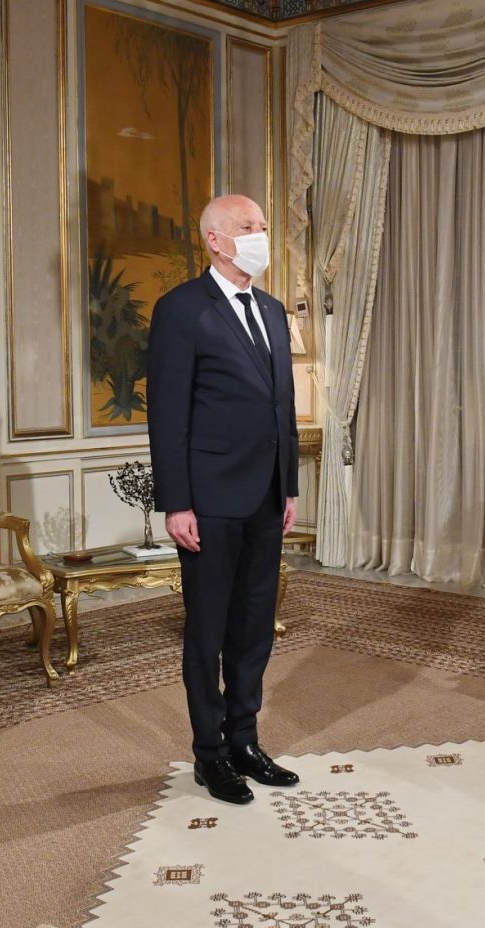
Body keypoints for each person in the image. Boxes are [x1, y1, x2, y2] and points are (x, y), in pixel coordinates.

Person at [147, 194, 300, 806]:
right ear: (215, 239)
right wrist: (176, 503)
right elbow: (168, 414)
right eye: (247, 226)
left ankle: (245, 741)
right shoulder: (181, 309)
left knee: (254, 627)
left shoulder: (273, 309)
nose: (260, 234)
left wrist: (288, 486)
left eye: (262, 225)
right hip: (208, 499)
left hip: (266, 495)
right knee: (208, 629)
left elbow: (283, 406)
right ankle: (209, 755)